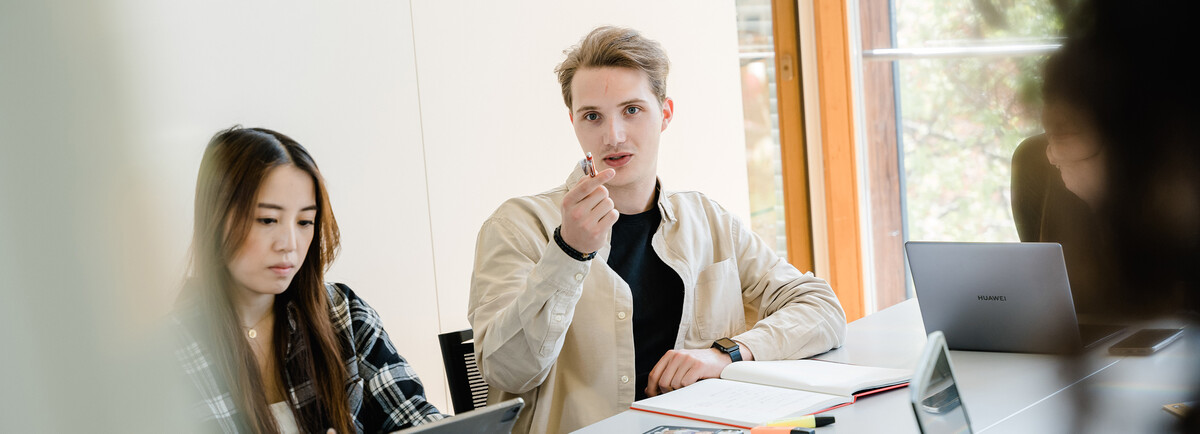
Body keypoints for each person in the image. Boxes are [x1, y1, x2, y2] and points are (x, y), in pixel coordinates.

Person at [468, 26, 847, 433]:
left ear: (665, 114)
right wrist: (568, 252)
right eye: (592, 116)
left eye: (632, 110)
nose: (612, 136)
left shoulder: (706, 218)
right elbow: (508, 373)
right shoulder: (516, 227)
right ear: (574, 123)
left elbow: (821, 309)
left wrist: (728, 355)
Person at [170, 126, 444, 433]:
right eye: (268, 220)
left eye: (304, 222)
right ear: (216, 218)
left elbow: (417, 419)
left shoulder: (343, 314)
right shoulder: (166, 350)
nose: (289, 243)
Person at [1010, 49, 1117, 317]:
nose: (1056, 116)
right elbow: (1045, 286)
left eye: (1075, 101)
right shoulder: (1034, 159)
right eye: (1049, 100)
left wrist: (1098, 196)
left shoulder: (1165, 168)